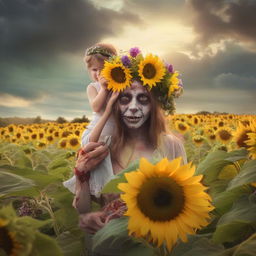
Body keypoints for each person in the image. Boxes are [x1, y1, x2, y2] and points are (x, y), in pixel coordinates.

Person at [72, 49, 186, 254]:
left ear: (154, 106)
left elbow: (186, 202)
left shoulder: (171, 145)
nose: (133, 108)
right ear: (114, 103)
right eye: (125, 99)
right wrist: (82, 176)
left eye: (143, 99)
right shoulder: (101, 148)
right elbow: (83, 211)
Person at [63, 43, 117, 193]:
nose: (99, 74)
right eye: (94, 70)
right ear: (89, 71)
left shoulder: (119, 85)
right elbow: (96, 107)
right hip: (97, 131)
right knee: (98, 169)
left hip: (115, 133)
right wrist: (105, 89)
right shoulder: (93, 87)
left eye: (103, 70)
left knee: (114, 171)